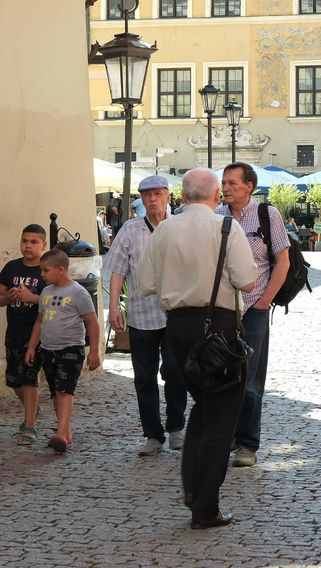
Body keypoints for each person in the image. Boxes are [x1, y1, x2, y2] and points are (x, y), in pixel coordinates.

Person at [138, 168, 257, 530]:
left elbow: (145, 285)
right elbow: (248, 279)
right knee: (222, 418)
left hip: (178, 327)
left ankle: (193, 488)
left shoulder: (163, 230)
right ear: (216, 194)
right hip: (218, 326)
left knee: (203, 408)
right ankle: (205, 507)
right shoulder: (225, 227)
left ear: (181, 195)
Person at [106, 175, 187, 457]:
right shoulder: (130, 229)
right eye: (146, 195)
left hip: (176, 314)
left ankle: (176, 427)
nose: (151, 199)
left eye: (157, 194)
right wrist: (114, 307)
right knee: (144, 376)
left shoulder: (180, 226)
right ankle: (153, 434)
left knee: (176, 373)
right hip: (141, 316)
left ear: (168, 196)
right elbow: (117, 270)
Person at [218, 162, 290, 469]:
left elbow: (282, 262)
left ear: (249, 185)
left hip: (253, 309)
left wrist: (264, 302)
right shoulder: (217, 216)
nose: (226, 187)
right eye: (224, 182)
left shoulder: (266, 215)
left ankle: (247, 444)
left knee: (249, 379)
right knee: (221, 375)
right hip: (222, 308)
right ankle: (224, 438)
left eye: (233, 183)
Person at [25, 248, 101, 454]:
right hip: (48, 350)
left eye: (45, 271)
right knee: (55, 393)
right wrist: (32, 346)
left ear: (60, 270)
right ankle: (65, 433)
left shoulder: (78, 293)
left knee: (65, 390)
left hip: (70, 349)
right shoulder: (46, 292)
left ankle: (61, 432)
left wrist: (94, 350)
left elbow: (92, 323)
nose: (42, 275)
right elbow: (39, 321)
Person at [0, 224, 48, 446]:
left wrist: (32, 298)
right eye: (25, 241)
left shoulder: (46, 270)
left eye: (34, 242)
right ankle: (33, 409)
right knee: (14, 379)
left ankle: (29, 426)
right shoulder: (11, 268)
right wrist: (9, 297)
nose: (28, 246)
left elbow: (56, 300)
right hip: (13, 331)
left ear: (44, 245)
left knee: (29, 377)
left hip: (36, 332)